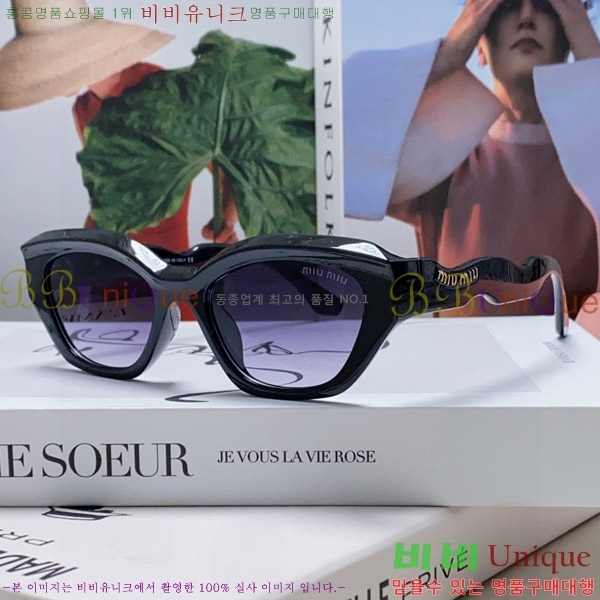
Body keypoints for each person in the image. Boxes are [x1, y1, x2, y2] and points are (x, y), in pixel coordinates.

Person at [343, 0, 600, 330]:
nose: (526, 17)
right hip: (464, 361)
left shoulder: (590, 159)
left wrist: (592, 60)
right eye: (506, 5)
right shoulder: (443, 157)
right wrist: (445, 56)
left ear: (568, 33)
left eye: (545, 4)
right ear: (479, 42)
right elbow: (324, 143)